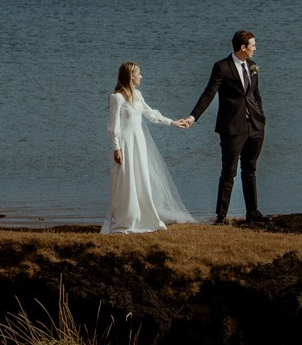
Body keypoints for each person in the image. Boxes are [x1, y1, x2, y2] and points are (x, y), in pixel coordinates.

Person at [103, 61, 197, 234]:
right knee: (126, 181)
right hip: (125, 144)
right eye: (138, 73)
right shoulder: (116, 97)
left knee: (141, 178)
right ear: (130, 76)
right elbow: (112, 126)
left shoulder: (137, 95)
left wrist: (173, 123)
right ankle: (126, 218)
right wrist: (116, 148)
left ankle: (144, 216)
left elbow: (151, 114)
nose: (141, 76)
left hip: (139, 143)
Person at [190, 29, 268, 225]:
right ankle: (221, 216)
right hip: (232, 127)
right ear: (243, 47)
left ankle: (253, 213)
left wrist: (261, 116)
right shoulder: (222, 67)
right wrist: (193, 117)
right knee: (229, 172)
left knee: (250, 169)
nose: (255, 49)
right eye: (253, 46)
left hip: (255, 126)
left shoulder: (252, 66)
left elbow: (255, 93)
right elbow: (209, 93)